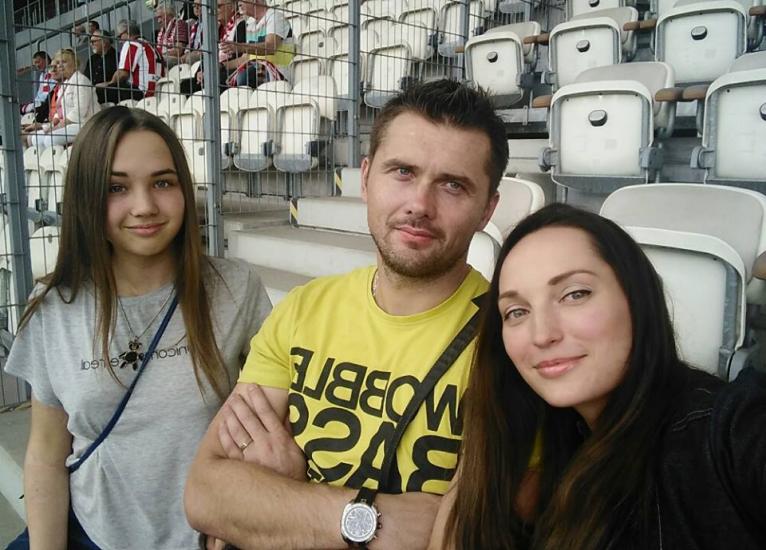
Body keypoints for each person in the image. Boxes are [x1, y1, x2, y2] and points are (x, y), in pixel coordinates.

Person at [184, 79, 509, 549]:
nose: (420, 205)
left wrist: (281, 501)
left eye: (453, 185)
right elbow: (206, 492)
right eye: (402, 172)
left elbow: (481, 534)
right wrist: (369, 520)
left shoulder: (510, 340)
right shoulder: (304, 309)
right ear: (366, 178)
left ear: (487, 209)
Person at [4, 107, 272, 549]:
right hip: (92, 534)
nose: (145, 206)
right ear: (87, 196)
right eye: (117, 187)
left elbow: (271, 425)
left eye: (162, 183)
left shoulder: (235, 288)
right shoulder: (54, 306)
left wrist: (240, 511)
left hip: (205, 534)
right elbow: (47, 455)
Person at [430, 203, 766, 549]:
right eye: (516, 312)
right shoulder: (542, 448)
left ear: (635, 297)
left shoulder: (726, 430)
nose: (542, 334)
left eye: (575, 294)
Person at [28, 48, 99, 150]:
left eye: (64, 62)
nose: (60, 66)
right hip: (69, 124)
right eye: (58, 63)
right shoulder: (65, 84)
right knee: (36, 138)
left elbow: (80, 110)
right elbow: (59, 111)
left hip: (85, 123)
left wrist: (59, 125)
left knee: (50, 140)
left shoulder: (81, 80)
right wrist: (52, 123)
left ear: (74, 64)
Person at [222, 0, 295, 88]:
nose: (239, 3)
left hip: (279, 73)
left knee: (245, 76)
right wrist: (222, 66)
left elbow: (270, 47)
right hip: (257, 69)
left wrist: (240, 47)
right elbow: (245, 58)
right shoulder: (250, 24)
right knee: (220, 77)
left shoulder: (275, 17)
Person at [99, 20, 164, 100]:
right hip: (158, 92)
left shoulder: (131, 44)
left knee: (99, 92)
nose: (119, 41)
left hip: (142, 93)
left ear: (128, 33)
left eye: (119, 37)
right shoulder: (151, 45)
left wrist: (110, 84)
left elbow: (122, 74)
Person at [82, 29, 119, 104]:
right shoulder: (92, 59)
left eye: (93, 42)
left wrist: (108, 83)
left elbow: (120, 78)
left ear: (104, 42)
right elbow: (86, 79)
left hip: (111, 96)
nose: (91, 44)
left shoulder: (117, 57)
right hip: (92, 96)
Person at [155, 0, 189, 68]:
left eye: (160, 17)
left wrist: (160, 56)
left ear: (169, 15)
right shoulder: (162, 31)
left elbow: (178, 51)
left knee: (158, 61)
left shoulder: (180, 24)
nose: (158, 21)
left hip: (176, 60)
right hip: (164, 58)